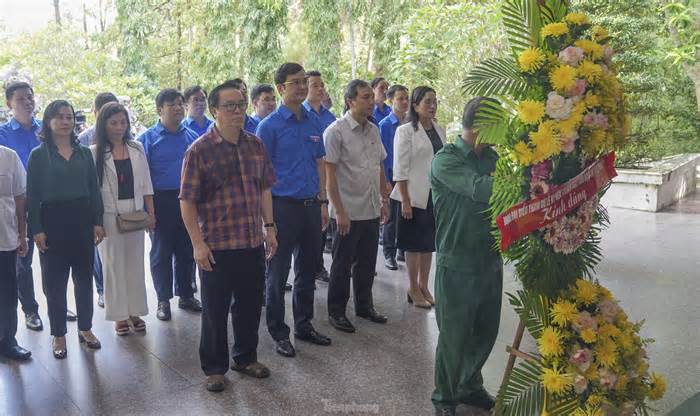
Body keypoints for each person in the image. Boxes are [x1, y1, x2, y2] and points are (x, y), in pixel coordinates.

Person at [180, 80, 278, 392]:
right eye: (229, 106)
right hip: (217, 246)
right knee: (214, 310)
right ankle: (214, 368)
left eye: (240, 104)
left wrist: (270, 227)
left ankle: (245, 358)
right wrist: (197, 243)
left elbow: (264, 188)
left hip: (251, 241)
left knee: (250, 305)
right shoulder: (199, 150)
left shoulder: (255, 145)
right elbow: (187, 201)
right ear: (214, 111)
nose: (237, 110)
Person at [429, 97, 501, 416]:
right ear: (481, 126)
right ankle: (444, 397)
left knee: (486, 330)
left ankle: (470, 386)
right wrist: (526, 181)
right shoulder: (446, 160)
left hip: (489, 259)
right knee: (454, 337)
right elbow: (480, 189)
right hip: (456, 262)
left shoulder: (492, 158)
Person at [256, 62, 332, 358]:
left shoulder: (314, 123)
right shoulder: (269, 127)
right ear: (280, 88)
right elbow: (261, 177)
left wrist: (324, 202)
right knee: (277, 273)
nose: (301, 87)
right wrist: (268, 222)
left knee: (307, 269)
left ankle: (304, 324)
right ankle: (278, 332)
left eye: (304, 82)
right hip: (281, 208)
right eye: (295, 83)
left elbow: (319, 163)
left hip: (311, 206)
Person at [27, 100, 104, 359]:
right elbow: (33, 195)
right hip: (53, 222)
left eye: (69, 117)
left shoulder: (84, 154)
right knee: (55, 282)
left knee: (84, 280)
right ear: (48, 122)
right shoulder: (38, 155)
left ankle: (86, 329)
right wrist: (36, 228)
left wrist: (98, 221)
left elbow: (94, 189)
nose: (65, 121)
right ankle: (58, 334)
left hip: (82, 220)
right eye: (59, 117)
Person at [324, 80, 389, 333]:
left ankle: (365, 306)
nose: (371, 101)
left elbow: (379, 167)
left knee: (367, 263)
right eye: (365, 97)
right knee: (341, 264)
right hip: (346, 210)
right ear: (350, 101)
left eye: (371, 97)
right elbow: (329, 175)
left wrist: (384, 199)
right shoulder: (336, 131)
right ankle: (336, 311)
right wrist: (338, 210)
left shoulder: (373, 130)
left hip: (371, 207)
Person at [91, 102, 155, 336]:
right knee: (113, 266)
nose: (119, 127)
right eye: (113, 123)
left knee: (135, 265)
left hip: (136, 212)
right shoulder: (95, 152)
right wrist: (95, 222)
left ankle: (134, 312)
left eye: (123, 122)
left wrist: (151, 214)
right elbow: (92, 191)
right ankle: (118, 316)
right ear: (104, 124)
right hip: (109, 215)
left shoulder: (136, 147)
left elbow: (146, 183)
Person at [138, 89, 201, 321]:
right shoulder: (146, 139)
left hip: (187, 200)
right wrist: (147, 212)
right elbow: (141, 179)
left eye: (180, 104)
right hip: (160, 201)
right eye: (171, 104)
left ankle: (186, 294)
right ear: (159, 109)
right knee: (161, 253)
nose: (177, 108)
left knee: (187, 249)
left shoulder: (192, 137)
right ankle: (163, 300)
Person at [390, 86, 445, 309]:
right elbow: (400, 168)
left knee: (428, 244)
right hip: (411, 196)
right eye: (427, 102)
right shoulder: (405, 131)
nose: (432, 106)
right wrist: (404, 199)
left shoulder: (439, 130)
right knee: (413, 244)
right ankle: (412, 287)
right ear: (415, 105)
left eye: (434, 102)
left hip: (434, 196)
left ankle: (424, 286)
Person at [0, 81, 43, 331]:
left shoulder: (45, 130)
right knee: (22, 261)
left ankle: (58, 304)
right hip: (17, 204)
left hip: (46, 202)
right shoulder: (3, 135)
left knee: (53, 257)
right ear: (9, 104)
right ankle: (30, 310)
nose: (28, 102)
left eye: (30, 97)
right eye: (21, 99)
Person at [78, 91, 119, 309]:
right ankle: (102, 289)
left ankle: (117, 293)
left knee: (116, 252)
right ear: (95, 112)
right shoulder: (84, 140)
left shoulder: (125, 140)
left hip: (118, 205)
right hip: (92, 203)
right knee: (98, 249)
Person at [301, 70, 337, 283]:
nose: (320, 89)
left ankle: (318, 266)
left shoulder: (329, 116)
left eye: (322, 85)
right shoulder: (302, 114)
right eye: (315, 85)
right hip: (305, 179)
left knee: (321, 227)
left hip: (325, 178)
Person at [0, 145, 31, 361]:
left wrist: (22, 234)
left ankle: (8, 341)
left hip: (5, 237)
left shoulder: (9, 156)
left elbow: (20, 197)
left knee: (8, 293)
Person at [378, 84, 409, 271]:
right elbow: (384, 156)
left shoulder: (411, 123)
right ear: (390, 101)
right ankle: (389, 254)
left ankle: (402, 249)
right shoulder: (385, 125)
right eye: (400, 98)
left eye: (406, 98)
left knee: (405, 216)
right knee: (391, 218)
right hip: (391, 178)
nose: (404, 102)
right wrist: (387, 182)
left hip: (407, 177)